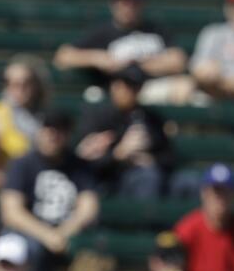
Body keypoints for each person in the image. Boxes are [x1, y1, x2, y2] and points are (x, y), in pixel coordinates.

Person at [0, 109, 100, 271]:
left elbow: (89, 208)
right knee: (30, 248)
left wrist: (62, 233)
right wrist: (47, 235)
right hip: (30, 233)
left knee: (92, 252)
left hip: (67, 233)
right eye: (48, 129)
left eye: (59, 130)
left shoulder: (79, 167)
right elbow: (11, 212)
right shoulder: (22, 163)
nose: (52, 135)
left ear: (68, 134)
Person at [53, 0, 187, 94]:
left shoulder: (156, 29)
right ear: (113, 3)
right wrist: (98, 58)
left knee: (183, 85)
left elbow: (178, 61)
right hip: (118, 91)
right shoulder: (103, 32)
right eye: (123, 1)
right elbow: (63, 56)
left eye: (134, 1)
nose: (128, 6)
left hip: (152, 88)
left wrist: (137, 64)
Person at [74, 63, 176, 198]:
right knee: (147, 177)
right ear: (114, 86)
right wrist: (119, 154)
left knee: (186, 181)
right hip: (107, 180)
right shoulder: (97, 117)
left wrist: (150, 159)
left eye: (136, 86)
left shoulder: (150, 118)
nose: (132, 91)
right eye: (127, 85)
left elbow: (169, 157)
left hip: (144, 175)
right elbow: (83, 163)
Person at [0, 54, 51, 189]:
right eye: (11, 83)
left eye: (25, 83)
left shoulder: (44, 116)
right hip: (7, 192)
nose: (19, 89)